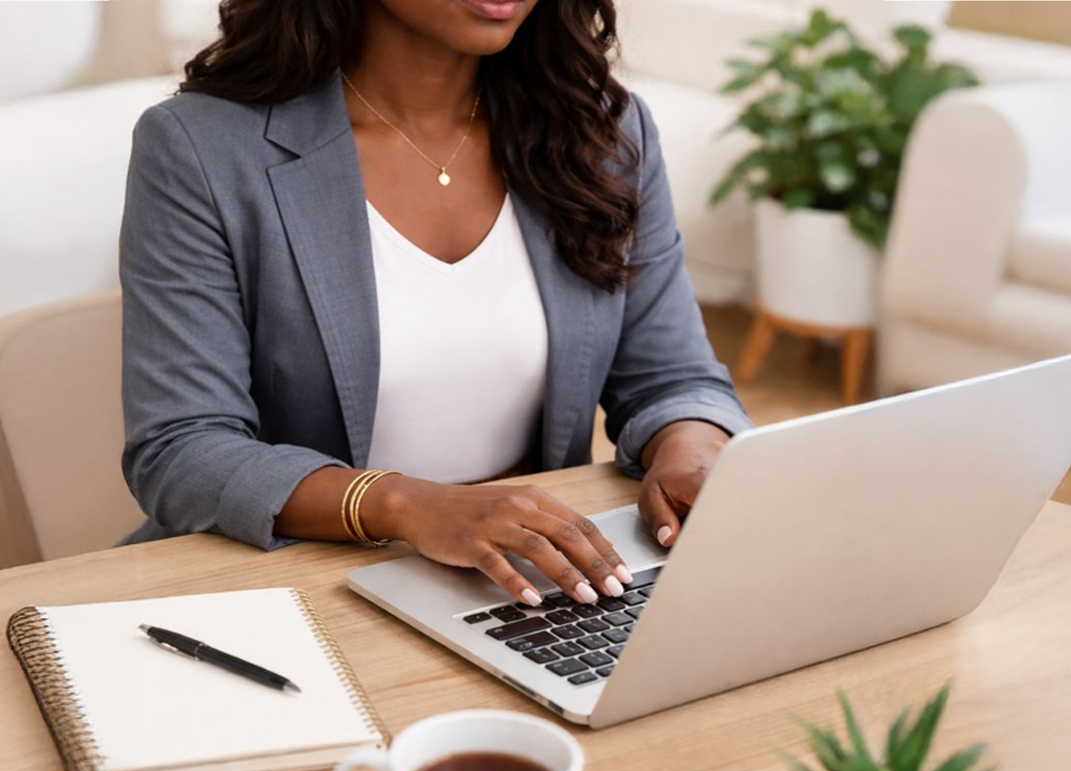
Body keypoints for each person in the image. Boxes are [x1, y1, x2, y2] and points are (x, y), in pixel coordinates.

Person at [119, 0, 751, 609]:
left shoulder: (602, 130)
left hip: (533, 585)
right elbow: (183, 448)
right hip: (291, 586)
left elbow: (672, 377)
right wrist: (407, 505)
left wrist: (692, 451)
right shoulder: (200, 148)